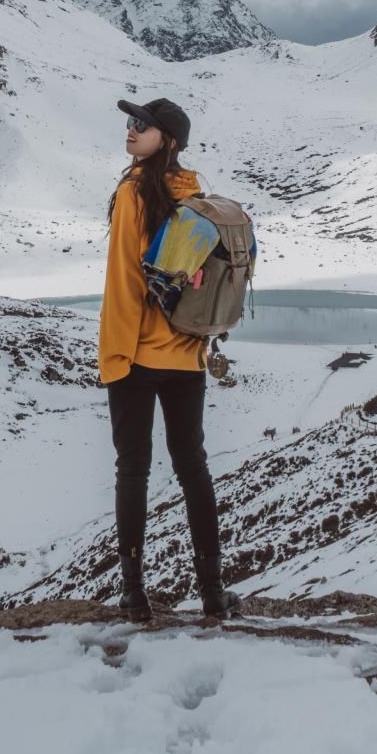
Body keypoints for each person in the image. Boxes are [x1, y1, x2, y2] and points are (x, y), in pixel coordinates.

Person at [99, 95, 241, 624]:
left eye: (144, 126)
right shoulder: (194, 192)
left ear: (169, 140)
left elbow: (124, 283)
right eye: (132, 122)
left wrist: (115, 356)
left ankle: (134, 595)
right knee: (193, 470)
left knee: (132, 470)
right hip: (186, 354)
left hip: (136, 355)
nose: (132, 130)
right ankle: (213, 592)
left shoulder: (133, 190)